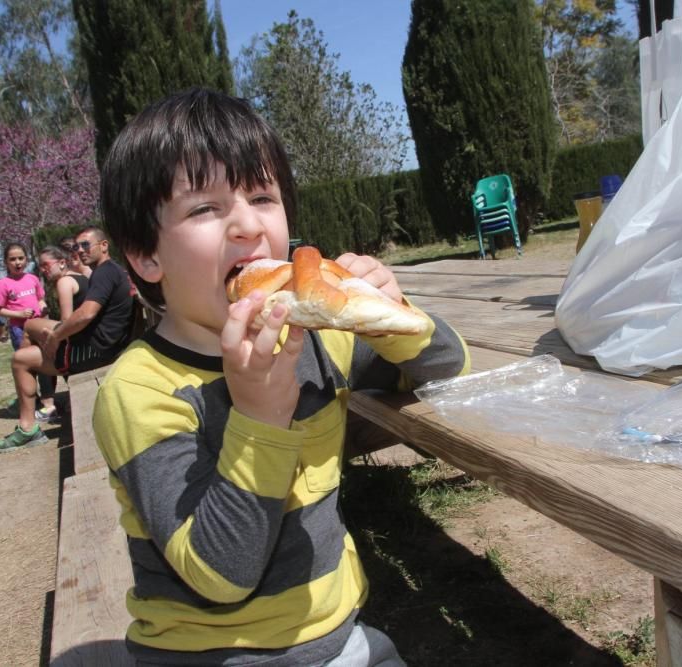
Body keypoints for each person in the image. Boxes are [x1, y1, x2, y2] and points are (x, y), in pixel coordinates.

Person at [92, 88, 470, 666]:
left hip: (340, 636)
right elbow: (221, 574)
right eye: (204, 208)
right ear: (146, 257)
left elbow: (446, 368)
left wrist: (388, 312)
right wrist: (260, 414)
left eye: (262, 196)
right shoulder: (139, 390)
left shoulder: (319, 336)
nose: (247, 224)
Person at [0, 226, 135, 453]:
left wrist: (56, 336)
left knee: (20, 360)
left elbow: (86, 314)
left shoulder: (104, 272)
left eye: (86, 245)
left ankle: (30, 423)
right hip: (104, 344)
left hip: (95, 351)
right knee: (29, 332)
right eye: (77, 247)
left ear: (104, 246)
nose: (80, 251)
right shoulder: (108, 270)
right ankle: (39, 399)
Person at [26, 244, 91, 423]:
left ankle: (44, 403)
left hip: (80, 349)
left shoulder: (64, 282)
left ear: (62, 263)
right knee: (33, 337)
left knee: (28, 329)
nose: (43, 270)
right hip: (88, 341)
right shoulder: (81, 277)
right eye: (40, 267)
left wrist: (51, 341)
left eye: (46, 265)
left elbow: (67, 323)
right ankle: (46, 396)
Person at [0, 243, 46, 351]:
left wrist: (43, 308)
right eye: (12, 259)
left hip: (37, 324)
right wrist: (19, 314)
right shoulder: (3, 283)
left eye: (21, 258)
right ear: (5, 262)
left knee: (42, 353)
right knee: (25, 356)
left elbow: (40, 299)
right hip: (19, 328)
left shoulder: (33, 278)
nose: (17, 262)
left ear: (26, 259)